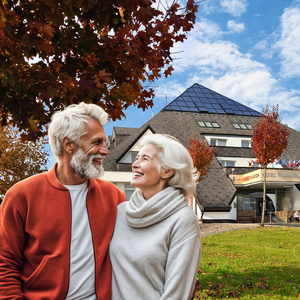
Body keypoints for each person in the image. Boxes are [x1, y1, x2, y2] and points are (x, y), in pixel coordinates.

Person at [0, 103, 125, 299]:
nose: (105, 150)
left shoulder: (114, 196)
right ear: (69, 145)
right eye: (97, 142)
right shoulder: (21, 196)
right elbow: (5, 264)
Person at [109, 134, 201, 300]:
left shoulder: (182, 218)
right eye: (136, 158)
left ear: (167, 171)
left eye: (145, 159)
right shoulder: (120, 212)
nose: (134, 164)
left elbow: (177, 294)